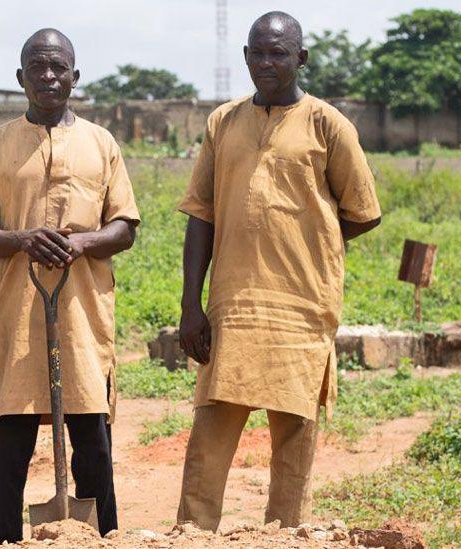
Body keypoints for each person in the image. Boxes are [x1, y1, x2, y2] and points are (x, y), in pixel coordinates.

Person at [175, 11, 382, 531]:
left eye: (279, 54)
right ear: (245, 57)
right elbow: (201, 213)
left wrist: (311, 244)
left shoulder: (327, 124)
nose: (266, 63)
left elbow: (362, 213)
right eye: (258, 53)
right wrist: (189, 305)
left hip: (301, 310)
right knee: (209, 436)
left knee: (294, 439)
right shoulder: (222, 122)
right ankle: (195, 536)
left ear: (300, 59)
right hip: (232, 307)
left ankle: (285, 536)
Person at [0, 28, 140, 544]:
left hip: (84, 314)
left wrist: (83, 244)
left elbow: (124, 226)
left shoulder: (100, 143)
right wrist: (21, 239)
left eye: (58, 67)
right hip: (16, 313)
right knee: (10, 441)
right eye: (37, 68)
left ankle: (103, 536)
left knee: (93, 440)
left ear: (74, 77)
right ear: (21, 78)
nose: (48, 76)